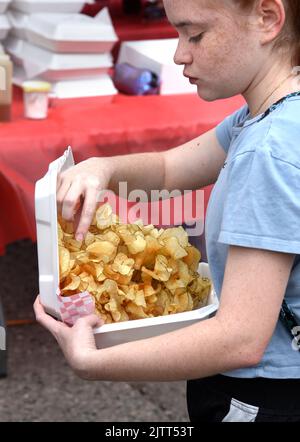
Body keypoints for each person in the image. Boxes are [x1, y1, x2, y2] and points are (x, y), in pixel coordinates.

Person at [34, 0, 300, 422]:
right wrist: (103, 167)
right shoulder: (271, 113)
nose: (179, 53)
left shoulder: (268, 151)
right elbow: (171, 167)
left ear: (267, 18)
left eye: (194, 34)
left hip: (263, 397)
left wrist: (93, 363)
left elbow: (240, 338)